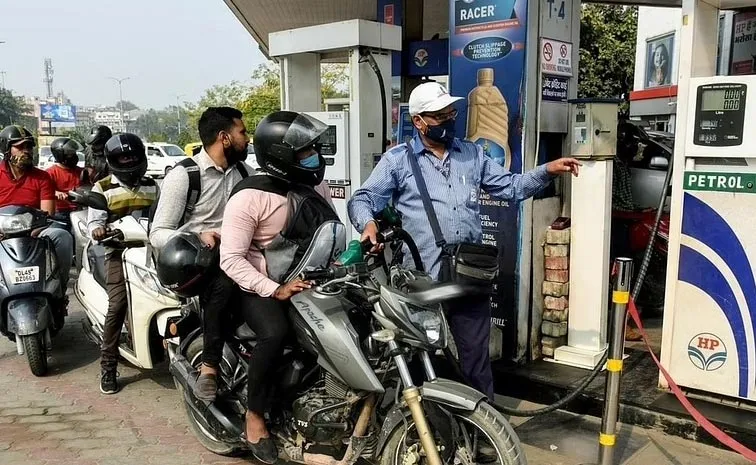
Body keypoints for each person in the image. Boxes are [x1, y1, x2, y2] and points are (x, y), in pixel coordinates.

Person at [347, 82, 581, 399]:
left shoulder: (471, 154)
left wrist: (548, 170)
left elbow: (511, 188)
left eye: (451, 113)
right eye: (440, 115)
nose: (448, 120)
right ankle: (421, 429)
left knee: (475, 359)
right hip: (420, 278)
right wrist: (368, 224)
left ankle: (482, 432)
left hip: (468, 274)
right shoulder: (398, 161)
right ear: (419, 121)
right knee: (420, 356)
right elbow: (362, 199)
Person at [220, 111, 334, 463]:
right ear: (281, 156)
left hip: (308, 280)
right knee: (276, 333)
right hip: (257, 287)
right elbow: (231, 259)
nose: (314, 155)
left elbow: (328, 233)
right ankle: (254, 418)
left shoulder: (315, 187)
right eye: (305, 151)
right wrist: (274, 289)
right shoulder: (249, 197)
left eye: (314, 148)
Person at [149, 106, 253, 401]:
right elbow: (158, 233)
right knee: (225, 281)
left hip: (237, 253)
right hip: (195, 263)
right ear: (224, 138)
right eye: (242, 132)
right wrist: (196, 236)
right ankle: (210, 366)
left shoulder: (245, 173)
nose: (247, 139)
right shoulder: (184, 176)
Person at [88, 133, 158, 395]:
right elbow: (94, 221)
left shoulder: (153, 186)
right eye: (122, 157)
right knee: (117, 305)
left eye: (132, 156)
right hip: (118, 252)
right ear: (112, 161)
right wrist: (98, 230)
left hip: (150, 252)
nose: (128, 161)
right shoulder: (102, 188)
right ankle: (108, 366)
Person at [0, 125, 74, 292]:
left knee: (62, 237)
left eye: (29, 146)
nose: (26, 151)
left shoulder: (42, 177)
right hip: (1, 233)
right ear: (6, 149)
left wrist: (33, 230)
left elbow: (47, 213)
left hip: (34, 232)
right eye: (20, 147)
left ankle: (59, 290)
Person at [47, 137, 84, 228]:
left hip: (81, 212)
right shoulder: (50, 173)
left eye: (74, 153)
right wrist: (56, 193)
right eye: (70, 154)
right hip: (61, 214)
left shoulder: (81, 172)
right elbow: (44, 191)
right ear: (60, 155)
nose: (74, 156)